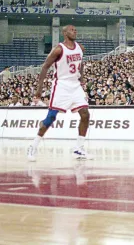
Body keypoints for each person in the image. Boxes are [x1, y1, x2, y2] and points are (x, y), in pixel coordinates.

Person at [27, 25, 91, 161]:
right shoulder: (59, 49)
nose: (75, 31)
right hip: (61, 86)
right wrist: (39, 90)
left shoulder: (80, 48)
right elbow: (45, 67)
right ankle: (33, 146)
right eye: (72, 30)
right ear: (65, 33)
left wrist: (82, 77)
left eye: (75, 29)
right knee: (51, 118)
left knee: (85, 114)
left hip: (75, 85)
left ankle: (78, 148)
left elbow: (81, 63)